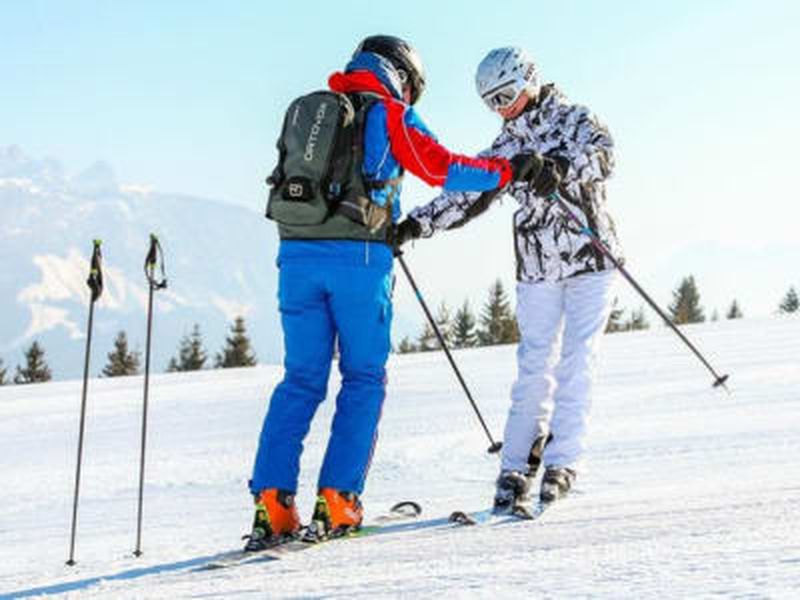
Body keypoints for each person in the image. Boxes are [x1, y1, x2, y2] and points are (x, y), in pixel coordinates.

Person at [246, 36, 544, 550]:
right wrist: (507, 170)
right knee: (363, 378)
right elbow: (442, 168)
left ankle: (272, 506)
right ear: (401, 75)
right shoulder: (389, 112)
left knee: (300, 381)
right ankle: (338, 500)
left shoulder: (312, 110)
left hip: (295, 258)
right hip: (359, 262)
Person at [397, 47, 620, 511]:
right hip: (537, 266)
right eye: (491, 102)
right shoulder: (505, 148)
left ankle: (563, 460)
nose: (502, 108)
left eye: (506, 95)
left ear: (529, 80)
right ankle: (516, 464)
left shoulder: (575, 119)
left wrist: (560, 168)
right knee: (534, 364)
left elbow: (604, 155)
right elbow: (465, 195)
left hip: (591, 258)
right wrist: (415, 224)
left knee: (577, 360)